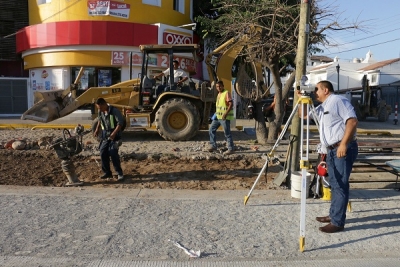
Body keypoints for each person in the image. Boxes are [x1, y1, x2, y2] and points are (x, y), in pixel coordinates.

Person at [299, 80, 358, 233]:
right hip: (330, 150)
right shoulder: (322, 106)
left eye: (316, 89)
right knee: (334, 183)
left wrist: (344, 144)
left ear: (326, 90)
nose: (314, 91)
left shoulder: (338, 100)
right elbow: (303, 116)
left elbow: (352, 121)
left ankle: (338, 222)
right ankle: (333, 215)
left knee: (339, 185)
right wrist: (300, 98)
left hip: (342, 148)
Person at [93, 98, 124, 181]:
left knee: (113, 152)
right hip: (105, 136)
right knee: (103, 152)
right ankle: (107, 172)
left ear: (104, 104)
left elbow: (120, 123)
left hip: (115, 136)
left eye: (100, 108)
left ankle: (119, 173)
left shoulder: (114, 111)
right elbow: (100, 120)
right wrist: (97, 129)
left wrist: (114, 133)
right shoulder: (101, 111)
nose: (100, 110)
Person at [207, 80, 235, 155]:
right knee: (211, 129)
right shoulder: (219, 94)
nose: (218, 87)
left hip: (224, 117)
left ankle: (231, 148)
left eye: (220, 86)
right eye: (217, 86)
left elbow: (231, 104)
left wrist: (225, 113)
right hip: (218, 116)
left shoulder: (226, 93)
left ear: (223, 86)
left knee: (227, 133)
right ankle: (213, 145)